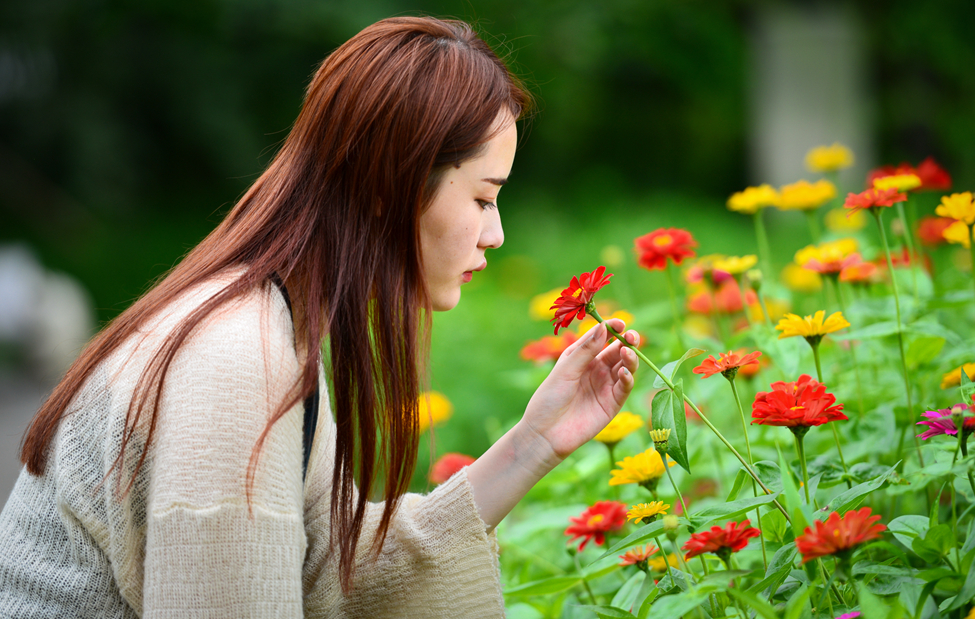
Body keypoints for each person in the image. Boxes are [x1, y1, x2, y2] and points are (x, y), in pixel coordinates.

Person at [0, 16, 638, 618]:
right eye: (484, 197)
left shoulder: (269, 321)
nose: (495, 234)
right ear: (391, 187)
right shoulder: (235, 360)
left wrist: (532, 445)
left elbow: (323, 574)